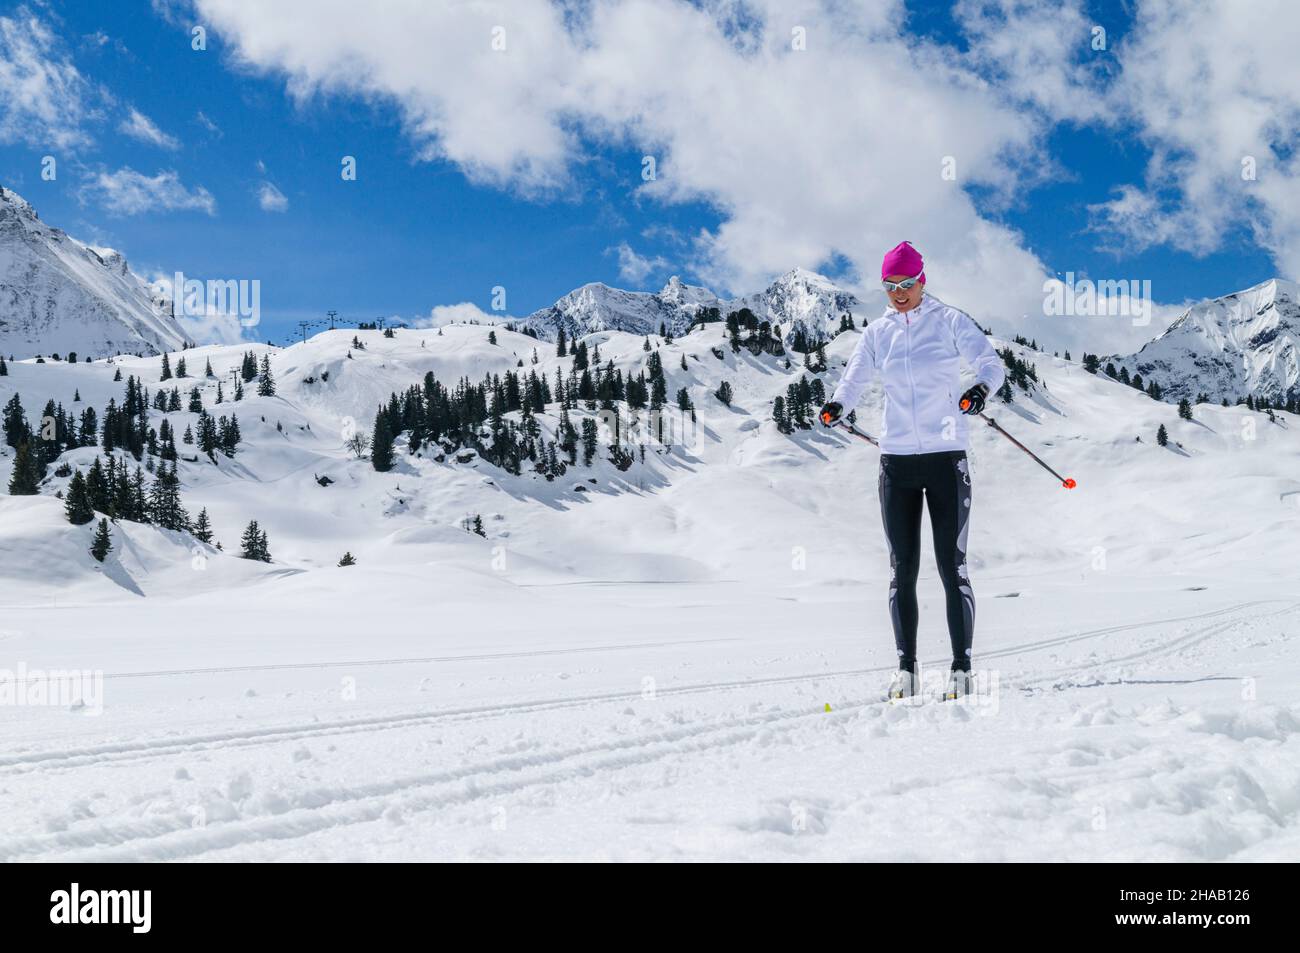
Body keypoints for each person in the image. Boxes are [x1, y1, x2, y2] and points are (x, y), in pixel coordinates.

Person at [819, 241, 1004, 701]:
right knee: (902, 570)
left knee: (951, 569)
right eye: (890, 286)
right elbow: (855, 377)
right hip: (897, 462)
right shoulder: (877, 333)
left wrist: (979, 390)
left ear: (923, 281)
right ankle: (907, 671)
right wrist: (838, 405)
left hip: (946, 459)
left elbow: (991, 365)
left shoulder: (949, 321)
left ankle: (961, 670)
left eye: (906, 284)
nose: (899, 293)